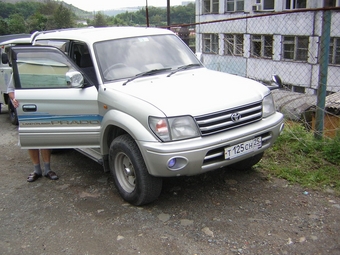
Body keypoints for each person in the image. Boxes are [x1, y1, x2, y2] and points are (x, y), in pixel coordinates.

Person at [7, 74, 58, 182]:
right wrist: (14, 98)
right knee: (30, 137)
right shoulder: (20, 69)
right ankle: (36, 170)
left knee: (44, 138)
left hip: (44, 106)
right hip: (28, 107)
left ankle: (47, 170)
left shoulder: (47, 67)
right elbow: (10, 90)